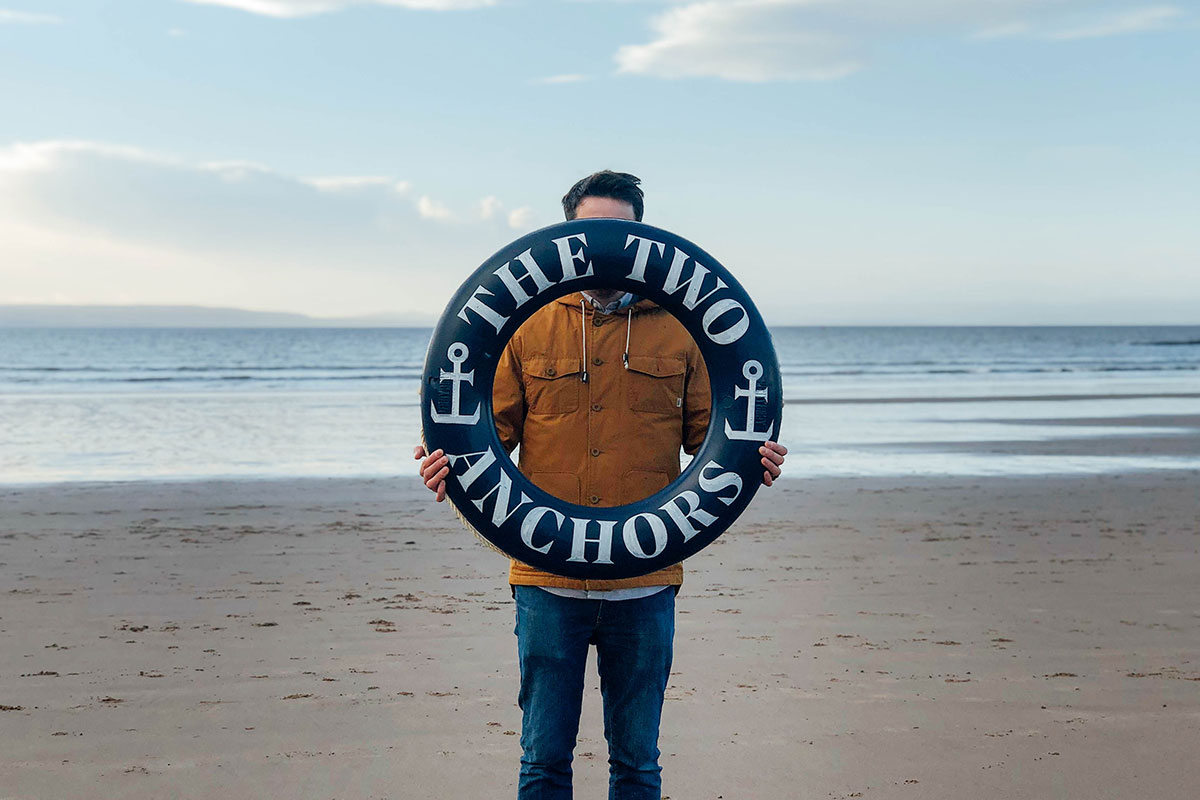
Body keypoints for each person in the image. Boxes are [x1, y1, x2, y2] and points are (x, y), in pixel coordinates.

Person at [414, 171, 787, 799]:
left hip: (645, 581)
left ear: (643, 238)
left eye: (624, 230)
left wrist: (757, 459)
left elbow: (712, 440)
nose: (609, 243)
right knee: (543, 762)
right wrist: (442, 466)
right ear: (568, 234)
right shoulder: (525, 326)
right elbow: (483, 436)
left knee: (637, 764)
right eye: (595, 227)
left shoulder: (682, 328)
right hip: (546, 579)